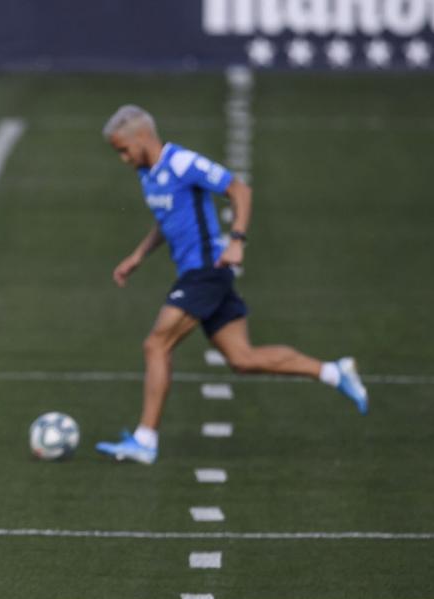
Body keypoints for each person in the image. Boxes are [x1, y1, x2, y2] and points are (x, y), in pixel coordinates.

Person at [94, 105, 367, 465]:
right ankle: (335, 372)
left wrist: (237, 239)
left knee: (156, 344)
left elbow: (240, 190)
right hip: (199, 274)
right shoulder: (148, 174)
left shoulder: (181, 163)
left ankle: (145, 440)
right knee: (242, 359)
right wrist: (138, 256)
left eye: (124, 149)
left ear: (142, 138)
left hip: (207, 270)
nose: (123, 158)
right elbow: (168, 218)